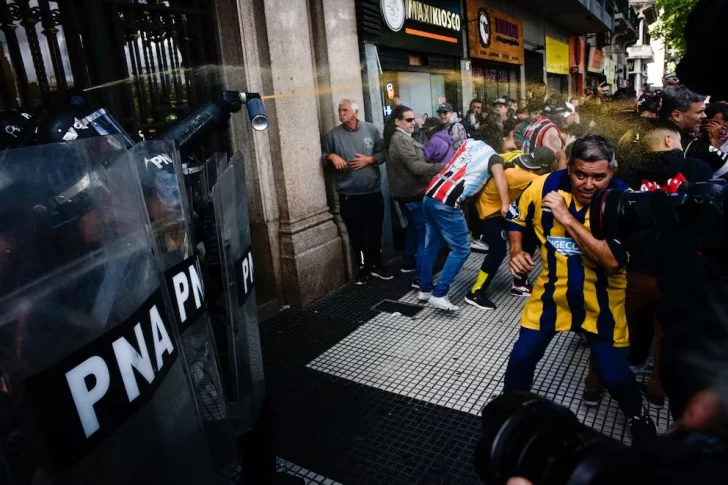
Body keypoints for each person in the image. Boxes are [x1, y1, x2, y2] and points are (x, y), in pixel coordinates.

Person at [503, 135, 657, 445]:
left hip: (603, 302)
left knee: (613, 372)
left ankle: (637, 414)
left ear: (612, 171)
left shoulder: (626, 202)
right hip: (552, 294)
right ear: (569, 168)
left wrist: (565, 218)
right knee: (522, 356)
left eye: (598, 177)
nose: (588, 184)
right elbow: (516, 216)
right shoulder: (543, 186)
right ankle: (511, 411)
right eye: (580, 174)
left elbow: (611, 261)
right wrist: (516, 249)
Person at [582, 120, 714, 409]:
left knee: (610, 327)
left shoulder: (629, 172)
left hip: (633, 269)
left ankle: (594, 385)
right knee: (668, 335)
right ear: (668, 140)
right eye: (678, 140)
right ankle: (656, 390)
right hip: (678, 273)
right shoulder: (697, 170)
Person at [465, 123, 555, 311]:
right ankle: (475, 292)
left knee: (528, 237)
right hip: (489, 213)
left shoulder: (516, 155)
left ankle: (519, 283)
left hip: (495, 208)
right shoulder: (530, 178)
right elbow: (553, 186)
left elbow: (496, 158)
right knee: (498, 250)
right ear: (543, 168)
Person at [418, 129, 510, 311]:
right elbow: (500, 175)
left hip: (430, 195)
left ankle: (425, 289)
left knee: (432, 245)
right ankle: (439, 294)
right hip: (448, 202)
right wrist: (506, 203)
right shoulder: (494, 157)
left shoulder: (468, 144)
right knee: (461, 249)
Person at [322, 99, 390, 285]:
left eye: (345, 110)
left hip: (372, 192)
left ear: (356, 112)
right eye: (339, 110)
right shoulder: (333, 135)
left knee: (375, 231)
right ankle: (363, 268)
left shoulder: (371, 130)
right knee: (357, 234)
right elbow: (323, 157)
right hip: (349, 195)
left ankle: (377, 264)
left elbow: (383, 154)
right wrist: (332, 156)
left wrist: (369, 159)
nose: (341, 113)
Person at [386, 105, 445, 287]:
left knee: (413, 229)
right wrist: (444, 167)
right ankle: (420, 278)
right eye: (409, 120)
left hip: (407, 193)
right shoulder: (400, 139)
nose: (414, 123)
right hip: (412, 194)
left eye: (414, 119)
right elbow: (416, 167)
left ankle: (409, 263)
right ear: (398, 121)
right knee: (425, 235)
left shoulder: (401, 137)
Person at [660, 85, 728, 178]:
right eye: (699, 112)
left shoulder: (645, 132)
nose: (704, 116)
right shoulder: (697, 148)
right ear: (676, 115)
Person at [521, 99, 572, 169]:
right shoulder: (551, 130)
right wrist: (567, 145)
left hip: (525, 166)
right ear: (558, 115)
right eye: (563, 115)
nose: (563, 118)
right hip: (538, 173)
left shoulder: (531, 125)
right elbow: (556, 162)